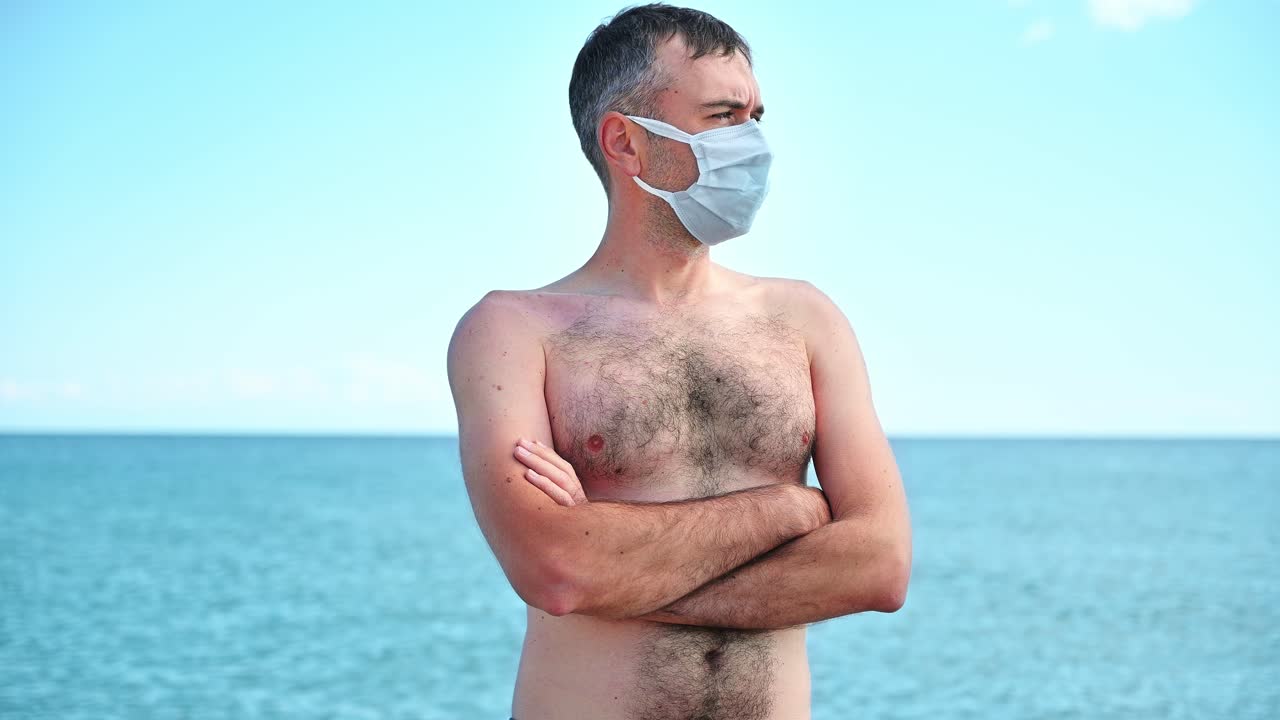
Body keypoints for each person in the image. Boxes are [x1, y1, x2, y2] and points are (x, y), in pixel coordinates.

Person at [446, 4, 912, 718]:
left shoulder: (805, 319)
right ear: (625, 142)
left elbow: (880, 566)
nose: (752, 142)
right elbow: (558, 568)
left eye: (756, 117)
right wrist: (791, 508)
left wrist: (618, 573)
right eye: (723, 116)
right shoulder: (513, 331)